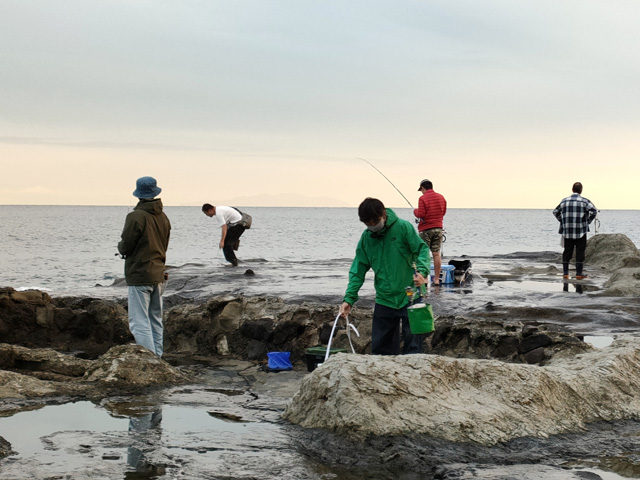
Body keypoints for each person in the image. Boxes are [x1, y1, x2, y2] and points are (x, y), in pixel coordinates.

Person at [339, 198, 430, 355]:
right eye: (368, 224)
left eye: (376, 221)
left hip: (411, 295)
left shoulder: (403, 227)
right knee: (381, 350)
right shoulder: (367, 238)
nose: (373, 226)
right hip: (384, 298)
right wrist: (349, 299)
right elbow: (357, 270)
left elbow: (422, 250)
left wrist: (422, 272)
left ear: (384, 214)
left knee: (414, 348)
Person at [118, 176, 171, 357]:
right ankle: (158, 357)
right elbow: (163, 245)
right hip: (159, 274)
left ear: (138, 194)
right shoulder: (163, 217)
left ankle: (149, 359)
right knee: (155, 319)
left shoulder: (136, 216)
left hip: (140, 275)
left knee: (139, 321)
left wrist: (121, 248)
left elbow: (126, 245)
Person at [553, 182, 597, 280]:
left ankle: (565, 273)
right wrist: (588, 221)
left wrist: (562, 220)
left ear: (572, 189)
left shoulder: (564, 201)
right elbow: (594, 211)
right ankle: (579, 273)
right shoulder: (585, 201)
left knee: (567, 251)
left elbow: (555, 211)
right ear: (581, 190)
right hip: (581, 230)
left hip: (567, 230)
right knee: (580, 252)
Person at [413, 179, 447, 285]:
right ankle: (436, 279)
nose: (421, 192)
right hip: (438, 228)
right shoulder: (441, 197)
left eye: (421, 190)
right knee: (436, 254)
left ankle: (425, 278)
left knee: (424, 254)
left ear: (423, 188)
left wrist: (415, 211)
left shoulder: (422, 198)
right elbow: (443, 212)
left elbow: (421, 214)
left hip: (426, 229)